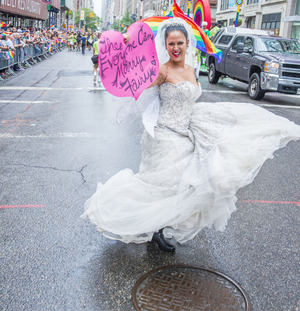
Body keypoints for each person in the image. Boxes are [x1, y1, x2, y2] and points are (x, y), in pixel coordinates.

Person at [81, 18, 300, 253]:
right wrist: (127, 46)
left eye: (180, 43)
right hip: (164, 137)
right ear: (165, 45)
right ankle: (145, 223)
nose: (176, 48)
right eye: (171, 44)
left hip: (186, 133)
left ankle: (159, 227)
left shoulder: (192, 70)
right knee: (163, 186)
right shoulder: (161, 70)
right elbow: (134, 81)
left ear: (187, 44)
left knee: (190, 183)